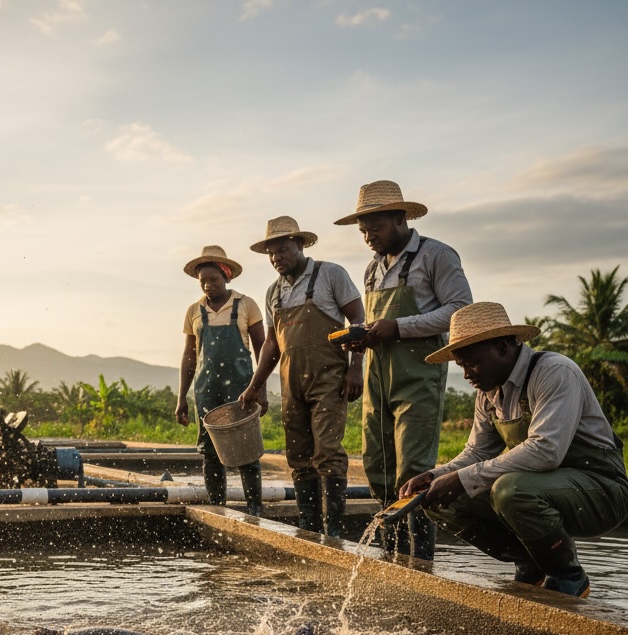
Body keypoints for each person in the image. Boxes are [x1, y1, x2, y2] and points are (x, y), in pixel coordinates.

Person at [400, 302, 628, 598]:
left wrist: (462, 478)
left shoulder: (554, 372)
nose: (467, 375)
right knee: (441, 499)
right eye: (461, 366)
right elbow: (476, 452)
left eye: (471, 363)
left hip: (601, 490)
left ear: (503, 346)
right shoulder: (489, 391)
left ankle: (566, 575)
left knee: (510, 489)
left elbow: (546, 451)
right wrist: (435, 475)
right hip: (546, 486)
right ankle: (531, 562)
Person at [334, 180, 472, 559]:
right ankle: (389, 555)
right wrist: (360, 341)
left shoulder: (436, 255)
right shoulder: (372, 269)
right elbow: (377, 324)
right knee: (377, 466)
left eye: (375, 228)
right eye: (363, 231)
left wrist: (398, 327)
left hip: (417, 377)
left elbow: (460, 311)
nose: (368, 237)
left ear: (400, 218)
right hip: (378, 376)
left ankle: (421, 559)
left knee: (412, 469)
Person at [238, 216, 365, 536]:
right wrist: (255, 386)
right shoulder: (273, 292)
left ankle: (333, 531)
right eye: (271, 254)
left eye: (282, 250)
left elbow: (358, 321)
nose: (276, 258)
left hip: (329, 378)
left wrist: (355, 367)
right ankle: (309, 530)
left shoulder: (330, 275)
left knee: (327, 452)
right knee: (297, 456)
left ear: (300, 244)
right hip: (291, 383)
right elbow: (270, 343)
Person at [177, 244, 266, 515]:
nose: (208, 286)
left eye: (213, 280)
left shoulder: (245, 304)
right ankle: (217, 509)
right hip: (205, 390)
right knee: (209, 451)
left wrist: (259, 389)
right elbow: (189, 358)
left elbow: (263, 348)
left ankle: (255, 509)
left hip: (242, 389)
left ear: (226, 276)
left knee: (247, 450)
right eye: (203, 281)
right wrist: (182, 398)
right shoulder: (194, 311)